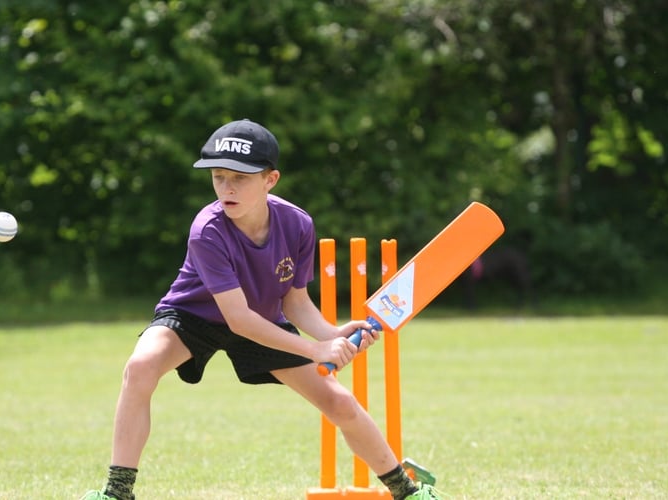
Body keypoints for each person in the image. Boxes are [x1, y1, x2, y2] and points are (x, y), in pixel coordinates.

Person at [82, 119, 440, 500]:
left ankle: (406, 492)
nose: (227, 188)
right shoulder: (208, 230)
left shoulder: (297, 224)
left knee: (339, 401)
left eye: (240, 177)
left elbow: (294, 299)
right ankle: (117, 493)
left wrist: (330, 333)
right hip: (194, 316)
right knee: (139, 367)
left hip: (264, 319)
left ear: (271, 180)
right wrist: (317, 350)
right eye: (218, 177)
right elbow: (237, 319)